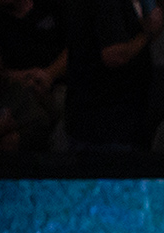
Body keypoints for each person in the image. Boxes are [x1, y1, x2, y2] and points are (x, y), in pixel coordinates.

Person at [64, 0, 158, 148]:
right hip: (108, 118)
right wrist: (148, 33)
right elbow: (114, 55)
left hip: (97, 115)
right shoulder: (108, 4)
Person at [0, 0, 67, 94]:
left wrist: (49, 74)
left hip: (61, 81)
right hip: (17, 89)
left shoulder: (51, 5)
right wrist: (23, 76)